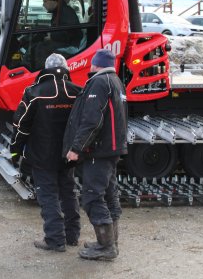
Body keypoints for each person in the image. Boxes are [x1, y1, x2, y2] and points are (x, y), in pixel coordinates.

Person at [10, 53, 82, 252]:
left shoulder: (35, 92)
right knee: (68, 192)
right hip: (69, 154)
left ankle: (55, 239)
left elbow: (21, 125)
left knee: (48, 195)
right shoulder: (78, 91)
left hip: (42, 155)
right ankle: (72, 235)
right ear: (66, 69)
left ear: (46, 69)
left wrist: (15, 150)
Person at [63, 49, 128, 261]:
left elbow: (93, 120)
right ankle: (110, 243)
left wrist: (76, 148)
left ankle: (106, 246)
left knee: (92, 196)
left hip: (97, 151)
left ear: (95, 64)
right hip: (111, 149)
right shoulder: (115, 81)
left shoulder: (99, 83)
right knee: (109, 195)